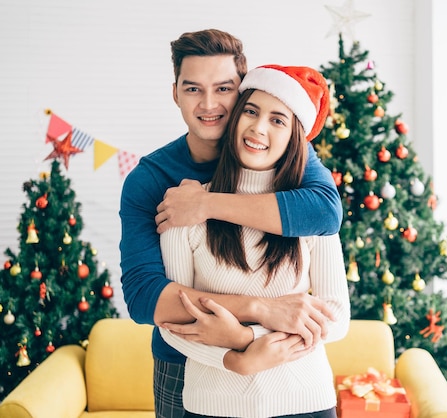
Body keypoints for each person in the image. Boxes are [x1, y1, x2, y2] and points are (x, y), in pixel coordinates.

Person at [119, 29, 343, 417]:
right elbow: (144, 298)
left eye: (223, 89)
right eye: (192, 89)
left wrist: (207, 204)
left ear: (240, 91)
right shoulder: (152, 180)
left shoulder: (281, 144)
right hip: (186, 363)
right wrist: (257, 315)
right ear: (175, 93)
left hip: (298, 385)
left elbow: (325, 214)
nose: (209, 104)